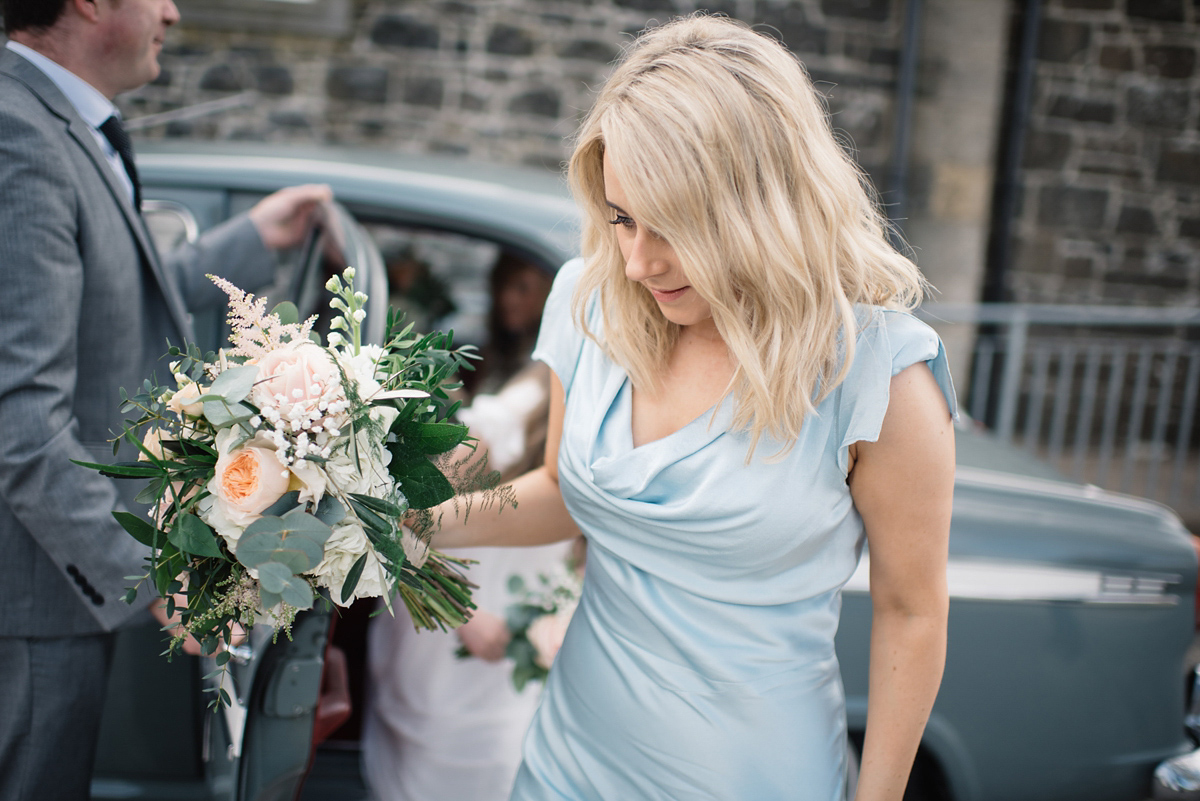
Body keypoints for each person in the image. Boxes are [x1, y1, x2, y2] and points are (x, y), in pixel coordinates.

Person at [431, 15, 957, 801]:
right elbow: (562, 496)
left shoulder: (879, 374)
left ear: (758, 205)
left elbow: (912, 612)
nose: (637, 260)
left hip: (752, 777)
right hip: (568, 762)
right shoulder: (591, 298)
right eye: (620, 217)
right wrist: (405, 528)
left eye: (670, 226)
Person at [0, 1, 332, 797]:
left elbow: (119, 296)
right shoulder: (19, 138)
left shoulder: (69, 122)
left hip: (59, 589)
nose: (175, 13)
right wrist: (153, 578)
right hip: (30, 603)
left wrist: (251, 236)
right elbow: (19, 430)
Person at [362, 250, 573, 801]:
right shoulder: (518, 413)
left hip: (525, 654)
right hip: (457, 644)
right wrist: (463, 611)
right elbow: (400, 513)